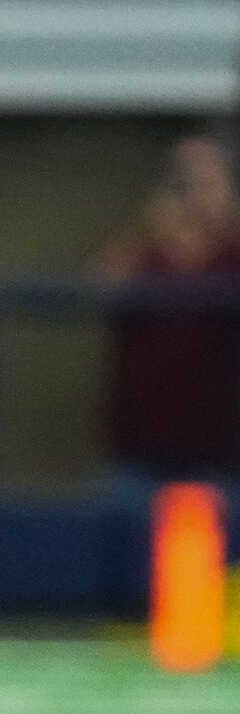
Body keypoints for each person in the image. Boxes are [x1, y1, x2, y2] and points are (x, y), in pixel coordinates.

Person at [97, 134, 240, 495]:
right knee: (125, 545)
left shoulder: (231, 254)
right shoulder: (146, 250)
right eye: (187, 181)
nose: (200, 194)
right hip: (139, 449)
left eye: (211, 181)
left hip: (217, 453)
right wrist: (151, 230)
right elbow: (98, 289)